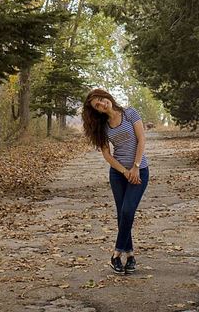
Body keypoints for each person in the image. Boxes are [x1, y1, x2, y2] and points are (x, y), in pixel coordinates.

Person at [82, 88, 149, 275]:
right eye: (97, 105)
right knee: (122, 215)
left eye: (101, 99)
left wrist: (135, 167)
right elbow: (106, 154)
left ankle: (116, 252)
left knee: (128, 210)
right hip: (118, 174)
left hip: (140, 171)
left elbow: (142, 138)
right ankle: (130, 256)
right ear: (97, 111)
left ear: (107, 97)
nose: (102, 104)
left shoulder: (130, 113)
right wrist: (124, 171)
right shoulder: (103, 127)